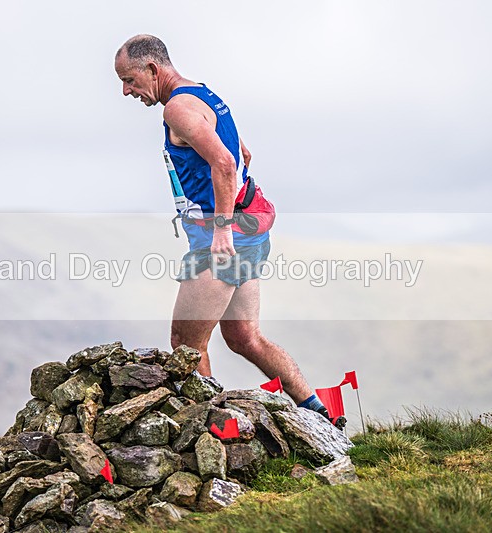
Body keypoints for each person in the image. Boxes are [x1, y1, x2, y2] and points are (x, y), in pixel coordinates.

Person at [114, 34, 344, 428]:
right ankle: (317, 411)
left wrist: (221, 230)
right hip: (249, 231)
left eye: (129, 80)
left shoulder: (177, 109)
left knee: (186, 345)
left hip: (222, 240)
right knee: (244, 338)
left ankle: (216, 431)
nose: (126, 91)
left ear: (152, 69)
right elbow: (242, 153)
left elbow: (224, 163)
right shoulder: (203, 94)